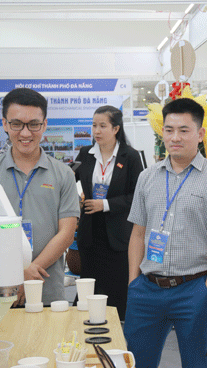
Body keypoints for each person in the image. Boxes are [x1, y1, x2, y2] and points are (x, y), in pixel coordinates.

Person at [124, 97, 207, 368]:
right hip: (147, 289)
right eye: (169, 130)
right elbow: (138, 233)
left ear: (200, 134)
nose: (175, 137)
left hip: (193, 289)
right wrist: (133, 283)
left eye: (183, 130)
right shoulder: (147, 177)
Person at [0, 88, 80, 306]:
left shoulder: (63, 174)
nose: (25, 133)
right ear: (4, 124)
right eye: (16, 124)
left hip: (47, 290)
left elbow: (67, 233)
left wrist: (30, 272)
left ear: (44, 125)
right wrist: (17, 273)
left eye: (33, 124)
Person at [74, 105, 144, 321]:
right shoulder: (86, 154)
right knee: (89, 289)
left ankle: (118, 332)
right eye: (94, 125)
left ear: (115, 128)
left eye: (102, 126)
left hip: (119, 237)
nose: (96, 131)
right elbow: (72, 182)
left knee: (116, 291)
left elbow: (138, 197)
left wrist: (105, 204)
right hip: (90, 234)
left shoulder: (130, 157)